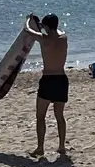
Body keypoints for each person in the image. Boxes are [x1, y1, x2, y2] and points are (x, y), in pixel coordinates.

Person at [26, 13, 70, 159]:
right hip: (62, 79)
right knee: (59, 115)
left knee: (40, 116)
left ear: (46, 27)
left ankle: (40, 148)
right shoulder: (63, 38)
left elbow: (27, 30)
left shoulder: (43, 39)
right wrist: (43, 25)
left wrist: (29, 20)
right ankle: (62, 146)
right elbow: (55, 31)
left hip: (48, 80)